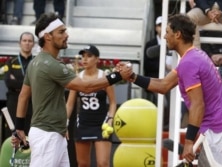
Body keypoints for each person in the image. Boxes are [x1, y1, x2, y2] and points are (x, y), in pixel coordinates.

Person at [123, 14, 222, 166]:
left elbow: (198, 104)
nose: (164, 36)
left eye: (167, 31)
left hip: (221, 131)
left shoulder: (189, 63)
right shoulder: (196, 55)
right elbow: (163, 85)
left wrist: (188, 142)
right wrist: (133, 77)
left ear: (178, 34)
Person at [11, 12, 132, 167]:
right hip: (48, 135)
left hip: (54, 133)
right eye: (61, 32)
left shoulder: (35, 63)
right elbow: (86, 87)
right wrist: (117, 76)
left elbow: (23, 96)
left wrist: (20, 128)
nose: (66, 35)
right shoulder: (52, 65)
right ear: (48, 36)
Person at [66, 45, 116, 167]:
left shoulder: (104, 77)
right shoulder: (77, 78)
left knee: (103, 163)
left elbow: (113, 102)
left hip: (101, 123)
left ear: (97, 59)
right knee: (83, 164)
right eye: (83, 56)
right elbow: (70, 103)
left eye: (89, 56)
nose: (85, 59)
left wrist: (110, 119)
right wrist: (65, 122)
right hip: (83, 122)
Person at [3, 32, 35, 136]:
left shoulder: (37, 62)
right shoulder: (11, 62)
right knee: (13, 133)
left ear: (34, 44)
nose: (27, 43)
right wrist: (28, 84)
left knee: (31, 133)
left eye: (30, 41)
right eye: (24, 41)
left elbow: (39, 83)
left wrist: (17, 81)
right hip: (14, 100)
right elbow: (9, 82)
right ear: (19, 43)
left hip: (32, 102)